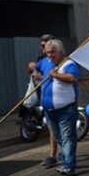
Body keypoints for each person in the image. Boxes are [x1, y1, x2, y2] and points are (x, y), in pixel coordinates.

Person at [41, 39, 80, 176]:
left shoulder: (69, 64)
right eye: (47, 53)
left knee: (67, 137)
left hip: (66, 109)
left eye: (52, 52)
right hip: (49, 111)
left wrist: (55, 75)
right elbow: (36, 68)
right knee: (59, 138)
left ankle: (69, 165)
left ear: (60, 52)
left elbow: (72, 78)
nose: (49, 55)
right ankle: (67, 160)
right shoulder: (48, 64)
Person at [26, 34, 59, 168]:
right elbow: (31, 71)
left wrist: (41, 75)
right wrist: (31, 67)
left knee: (55, 128)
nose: (42, 48)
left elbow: (56, 76)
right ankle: (59, 153)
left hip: (57, 97)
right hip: (44, 96)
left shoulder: (58, 59)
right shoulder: (41, 59)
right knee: (52, 127)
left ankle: (53, 155)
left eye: (44, 45)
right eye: (42, 46)